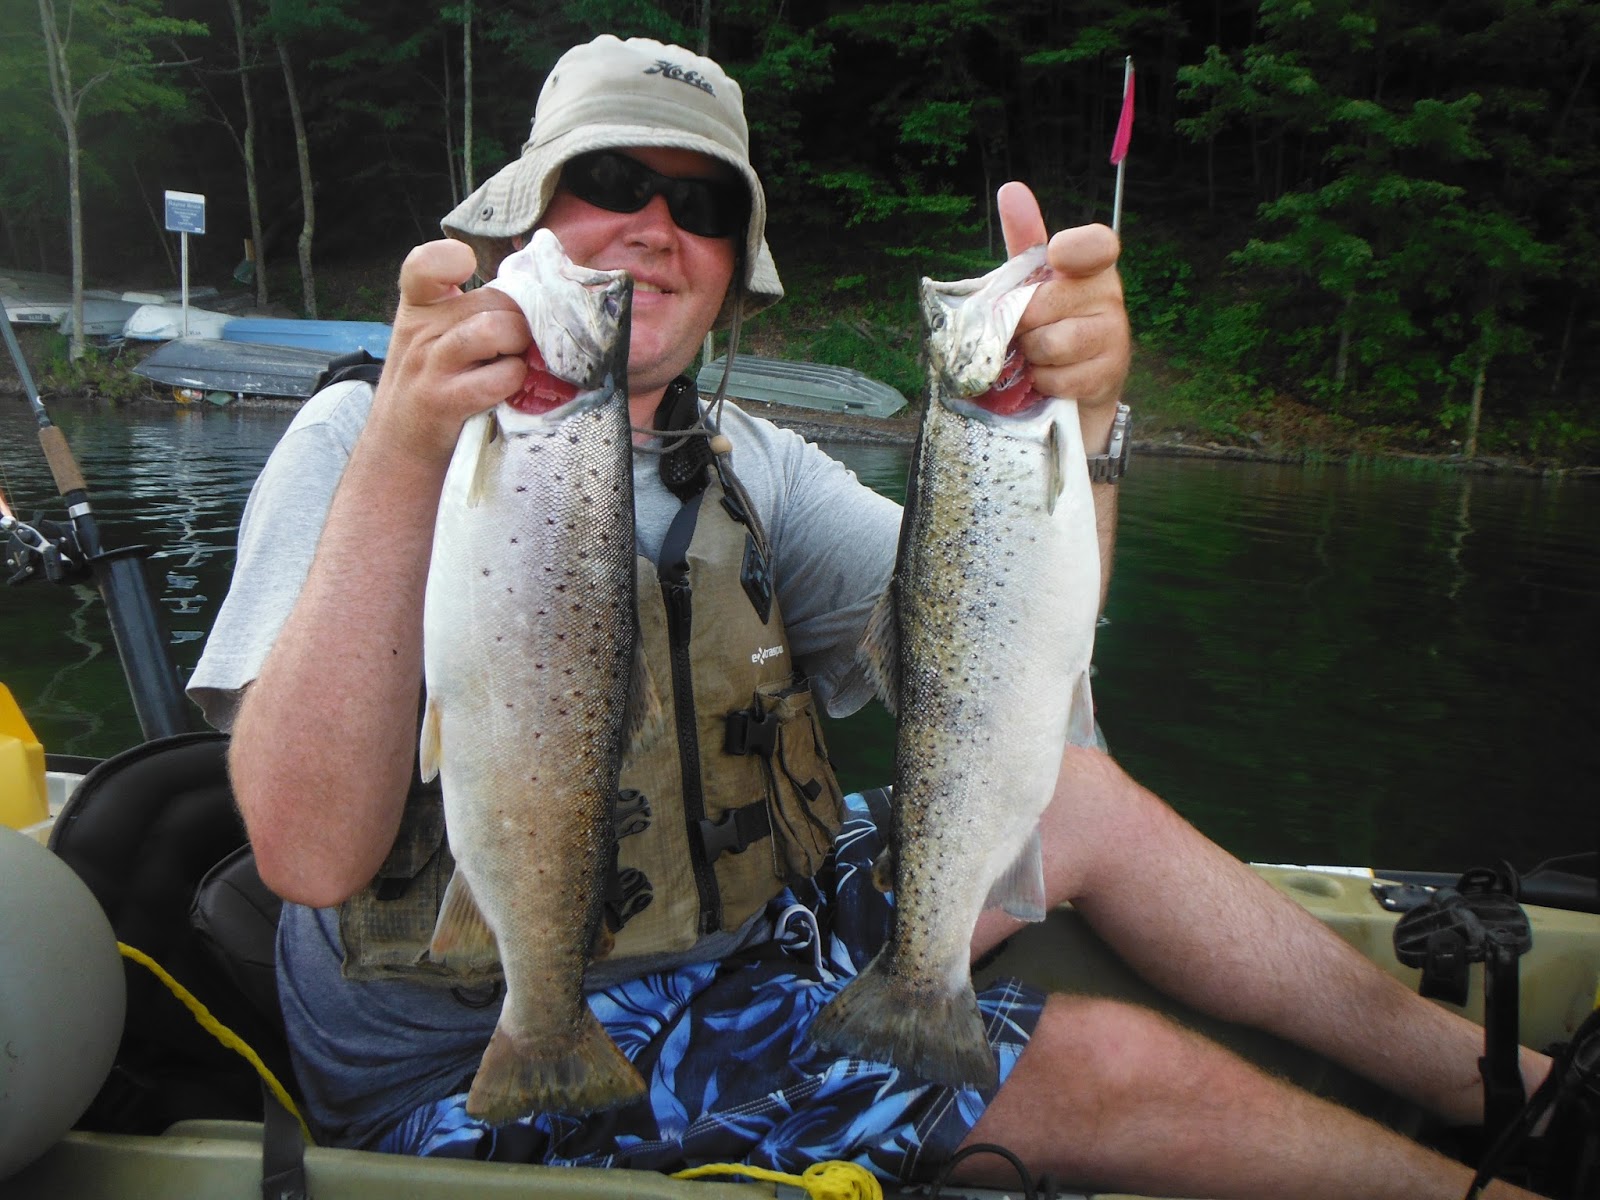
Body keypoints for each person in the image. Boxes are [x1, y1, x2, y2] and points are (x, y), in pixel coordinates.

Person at [188, 34, 1552, 1199]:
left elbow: (1012, 663)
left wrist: (1074, 432)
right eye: (608, 181)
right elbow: (306, 854)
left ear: (734, 264)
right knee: (1101, 1062)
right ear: (523, 220)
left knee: (1074, 790)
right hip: (490, 1052)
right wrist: (406, 450)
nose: (653, 226)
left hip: (747, 941)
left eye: (700, 202)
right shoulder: (362, 440)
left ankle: (1530, 1096)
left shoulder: (757, 469)